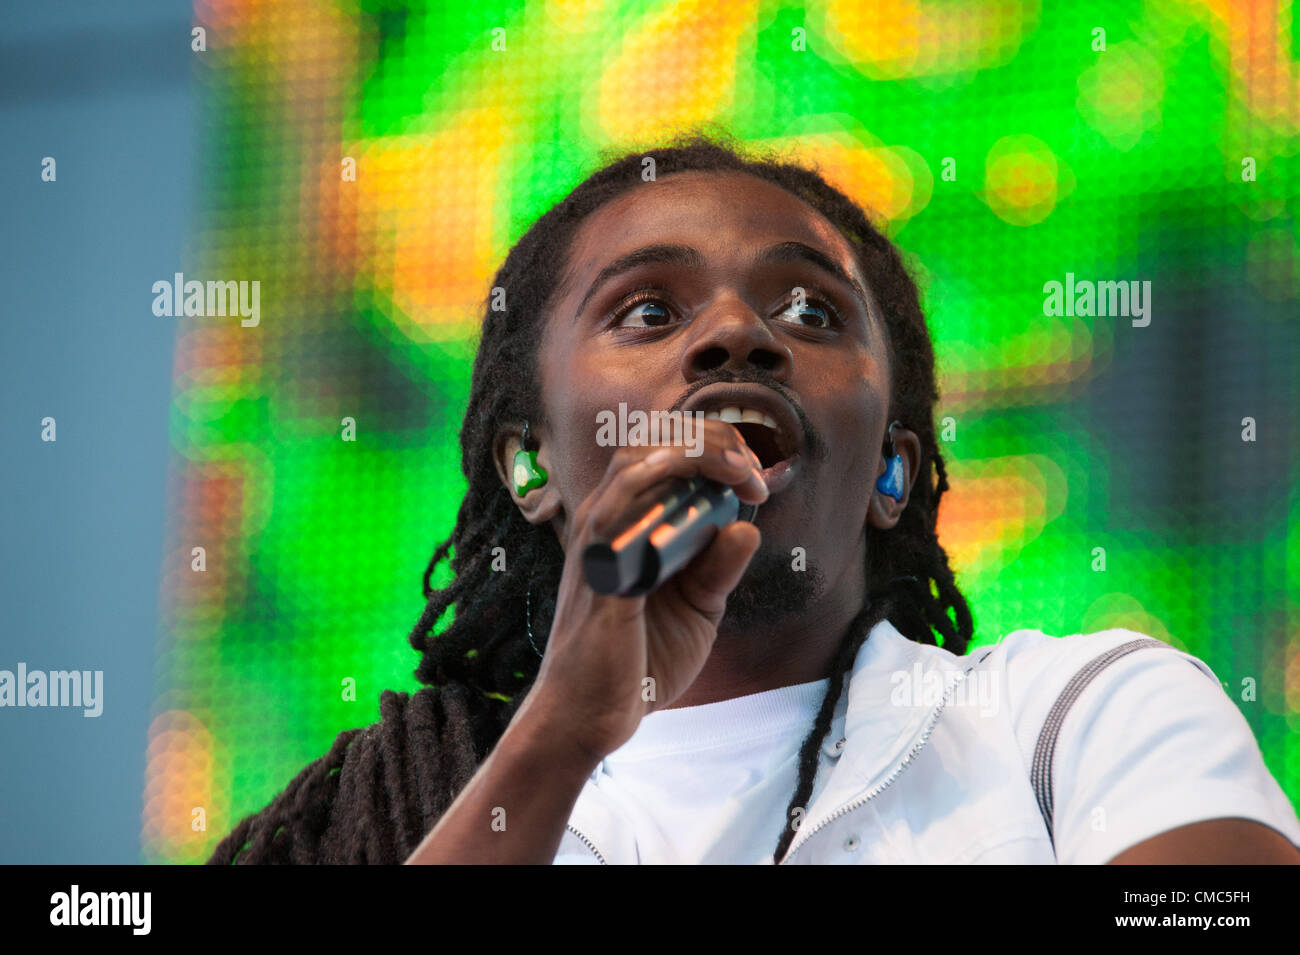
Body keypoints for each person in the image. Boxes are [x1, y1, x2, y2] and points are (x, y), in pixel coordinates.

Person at [208, 131, 1300, 865]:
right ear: (528, 467)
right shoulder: (407, 800)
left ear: (891, 474)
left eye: (813, 313)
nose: (739, 334)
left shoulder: (1083, 715)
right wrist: (563, 730)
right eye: (645, 312)